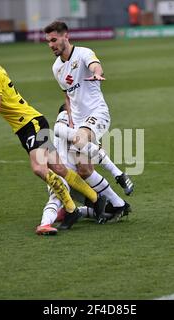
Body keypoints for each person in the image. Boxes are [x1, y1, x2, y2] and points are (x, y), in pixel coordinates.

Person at [0, 40, 107, 230]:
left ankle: (72, 210)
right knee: (58, 168)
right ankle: (97, 199)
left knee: (39, 168)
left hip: (30, 126)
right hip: (33, 123)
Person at [44, 21, 133, 221]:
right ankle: (119, 205)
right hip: (79, 120)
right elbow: (67, 96)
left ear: (66, 36)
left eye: (54, 40)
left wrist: (97, 74)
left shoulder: (83, 52)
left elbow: (95, 66)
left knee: (79, 139)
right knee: (84, 171)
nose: (51, 45)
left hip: (97, 113)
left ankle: (119, 174)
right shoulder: (57, 67)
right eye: (48, 41)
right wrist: (72, 121)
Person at [36, 105, 132, 235]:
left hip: (65, 175)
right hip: (72, 178)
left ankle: (45, 223)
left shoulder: (71, 119)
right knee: (83, 176)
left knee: (57, 196)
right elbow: (94, 150)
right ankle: (110, 204)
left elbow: (60, 129)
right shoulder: (70, 118)